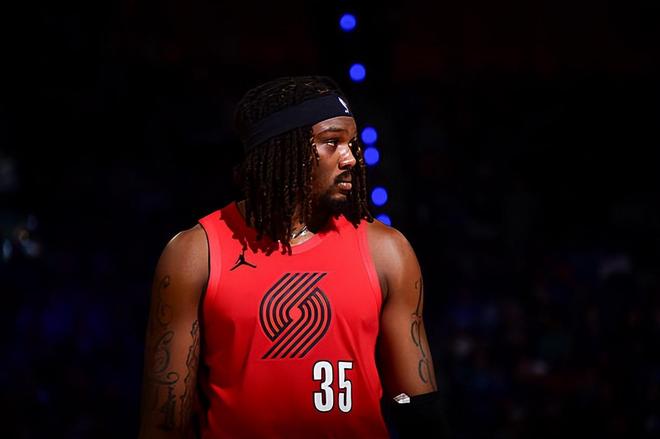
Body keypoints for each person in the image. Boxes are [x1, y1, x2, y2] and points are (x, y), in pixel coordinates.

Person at [137, 76, 448, 438]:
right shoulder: (195, 254)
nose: (351, 158)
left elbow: (417, 409)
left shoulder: (387, 252)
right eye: (332, 142)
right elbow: (165, 424)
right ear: (284, 149)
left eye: (352, 144)